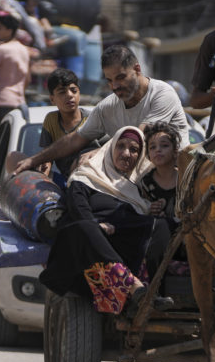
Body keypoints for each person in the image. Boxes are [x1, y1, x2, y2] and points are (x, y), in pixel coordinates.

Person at [39, 127, 174, 315]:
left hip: (115, 247)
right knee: (86, 227)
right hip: (82, 251)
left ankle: (151, 291)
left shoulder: (135, 189)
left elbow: (134, 225)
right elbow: (78, 208)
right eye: (121, 146)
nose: (126, 154)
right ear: (110, 148)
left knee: (160, 225)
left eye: (134, 150)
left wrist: (149, 210)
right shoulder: (85, 176)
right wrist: (97, 224)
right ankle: (134, 286)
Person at [14, 44, 190, 175]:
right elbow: (75, 139)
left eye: (121, 77)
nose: (115, 86)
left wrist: (99, 152)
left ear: (137, 69)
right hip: (134, 184)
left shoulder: (162, 94)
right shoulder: (108, 106)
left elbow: (138, 136)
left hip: (176, 181)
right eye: (109, 80)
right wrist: (34, 160)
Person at [38, 69, 98, 184]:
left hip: (90, 180)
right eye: (62, 92)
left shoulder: (92, 119)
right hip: (64, 182)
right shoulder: (51, 120)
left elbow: (110, 148)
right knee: (14, 158)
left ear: (79, 93)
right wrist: (43, 172)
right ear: (52, 99)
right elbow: (47, 155)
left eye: (73, 90)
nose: (69, 95)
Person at [139, 122, 181, 231]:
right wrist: (151, 209)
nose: (158, 150)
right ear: (148, 155)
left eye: (164, 145)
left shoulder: (184, 179)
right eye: (152, 147)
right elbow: (145, 207)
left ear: (175, 152)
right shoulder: (146, 182)